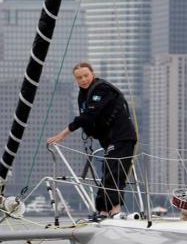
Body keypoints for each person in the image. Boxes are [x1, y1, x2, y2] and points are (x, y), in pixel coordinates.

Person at [47, 62, 137, 220]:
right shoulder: (84, 94)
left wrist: (61, 135)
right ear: (76, 80)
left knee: (115, 172)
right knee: (107, 172)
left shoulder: (102, 89)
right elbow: (88, 120)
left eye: (86, 75)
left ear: (92, 74)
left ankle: (115, 210)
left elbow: (88, 116)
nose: (83, 79)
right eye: (79, 77)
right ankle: (103, 211)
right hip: (109, 140)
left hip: (123, 136)